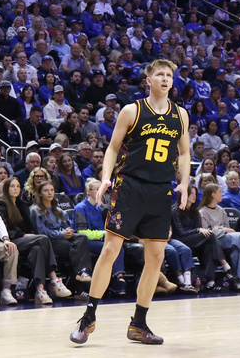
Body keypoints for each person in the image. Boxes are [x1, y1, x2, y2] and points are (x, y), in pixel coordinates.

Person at [70, 59, 192, 346]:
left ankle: (138, 323)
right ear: (148, 80)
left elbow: (184, 153)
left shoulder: (181, 115)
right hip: (130, 186)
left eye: (169, 75)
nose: (165, 78)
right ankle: (88, 317)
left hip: (161, 189)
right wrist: (105, 177)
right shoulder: (132, 110)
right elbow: (112, 147)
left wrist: (184, 183)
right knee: (111, 248)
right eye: (159, 74)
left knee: (157, 257)